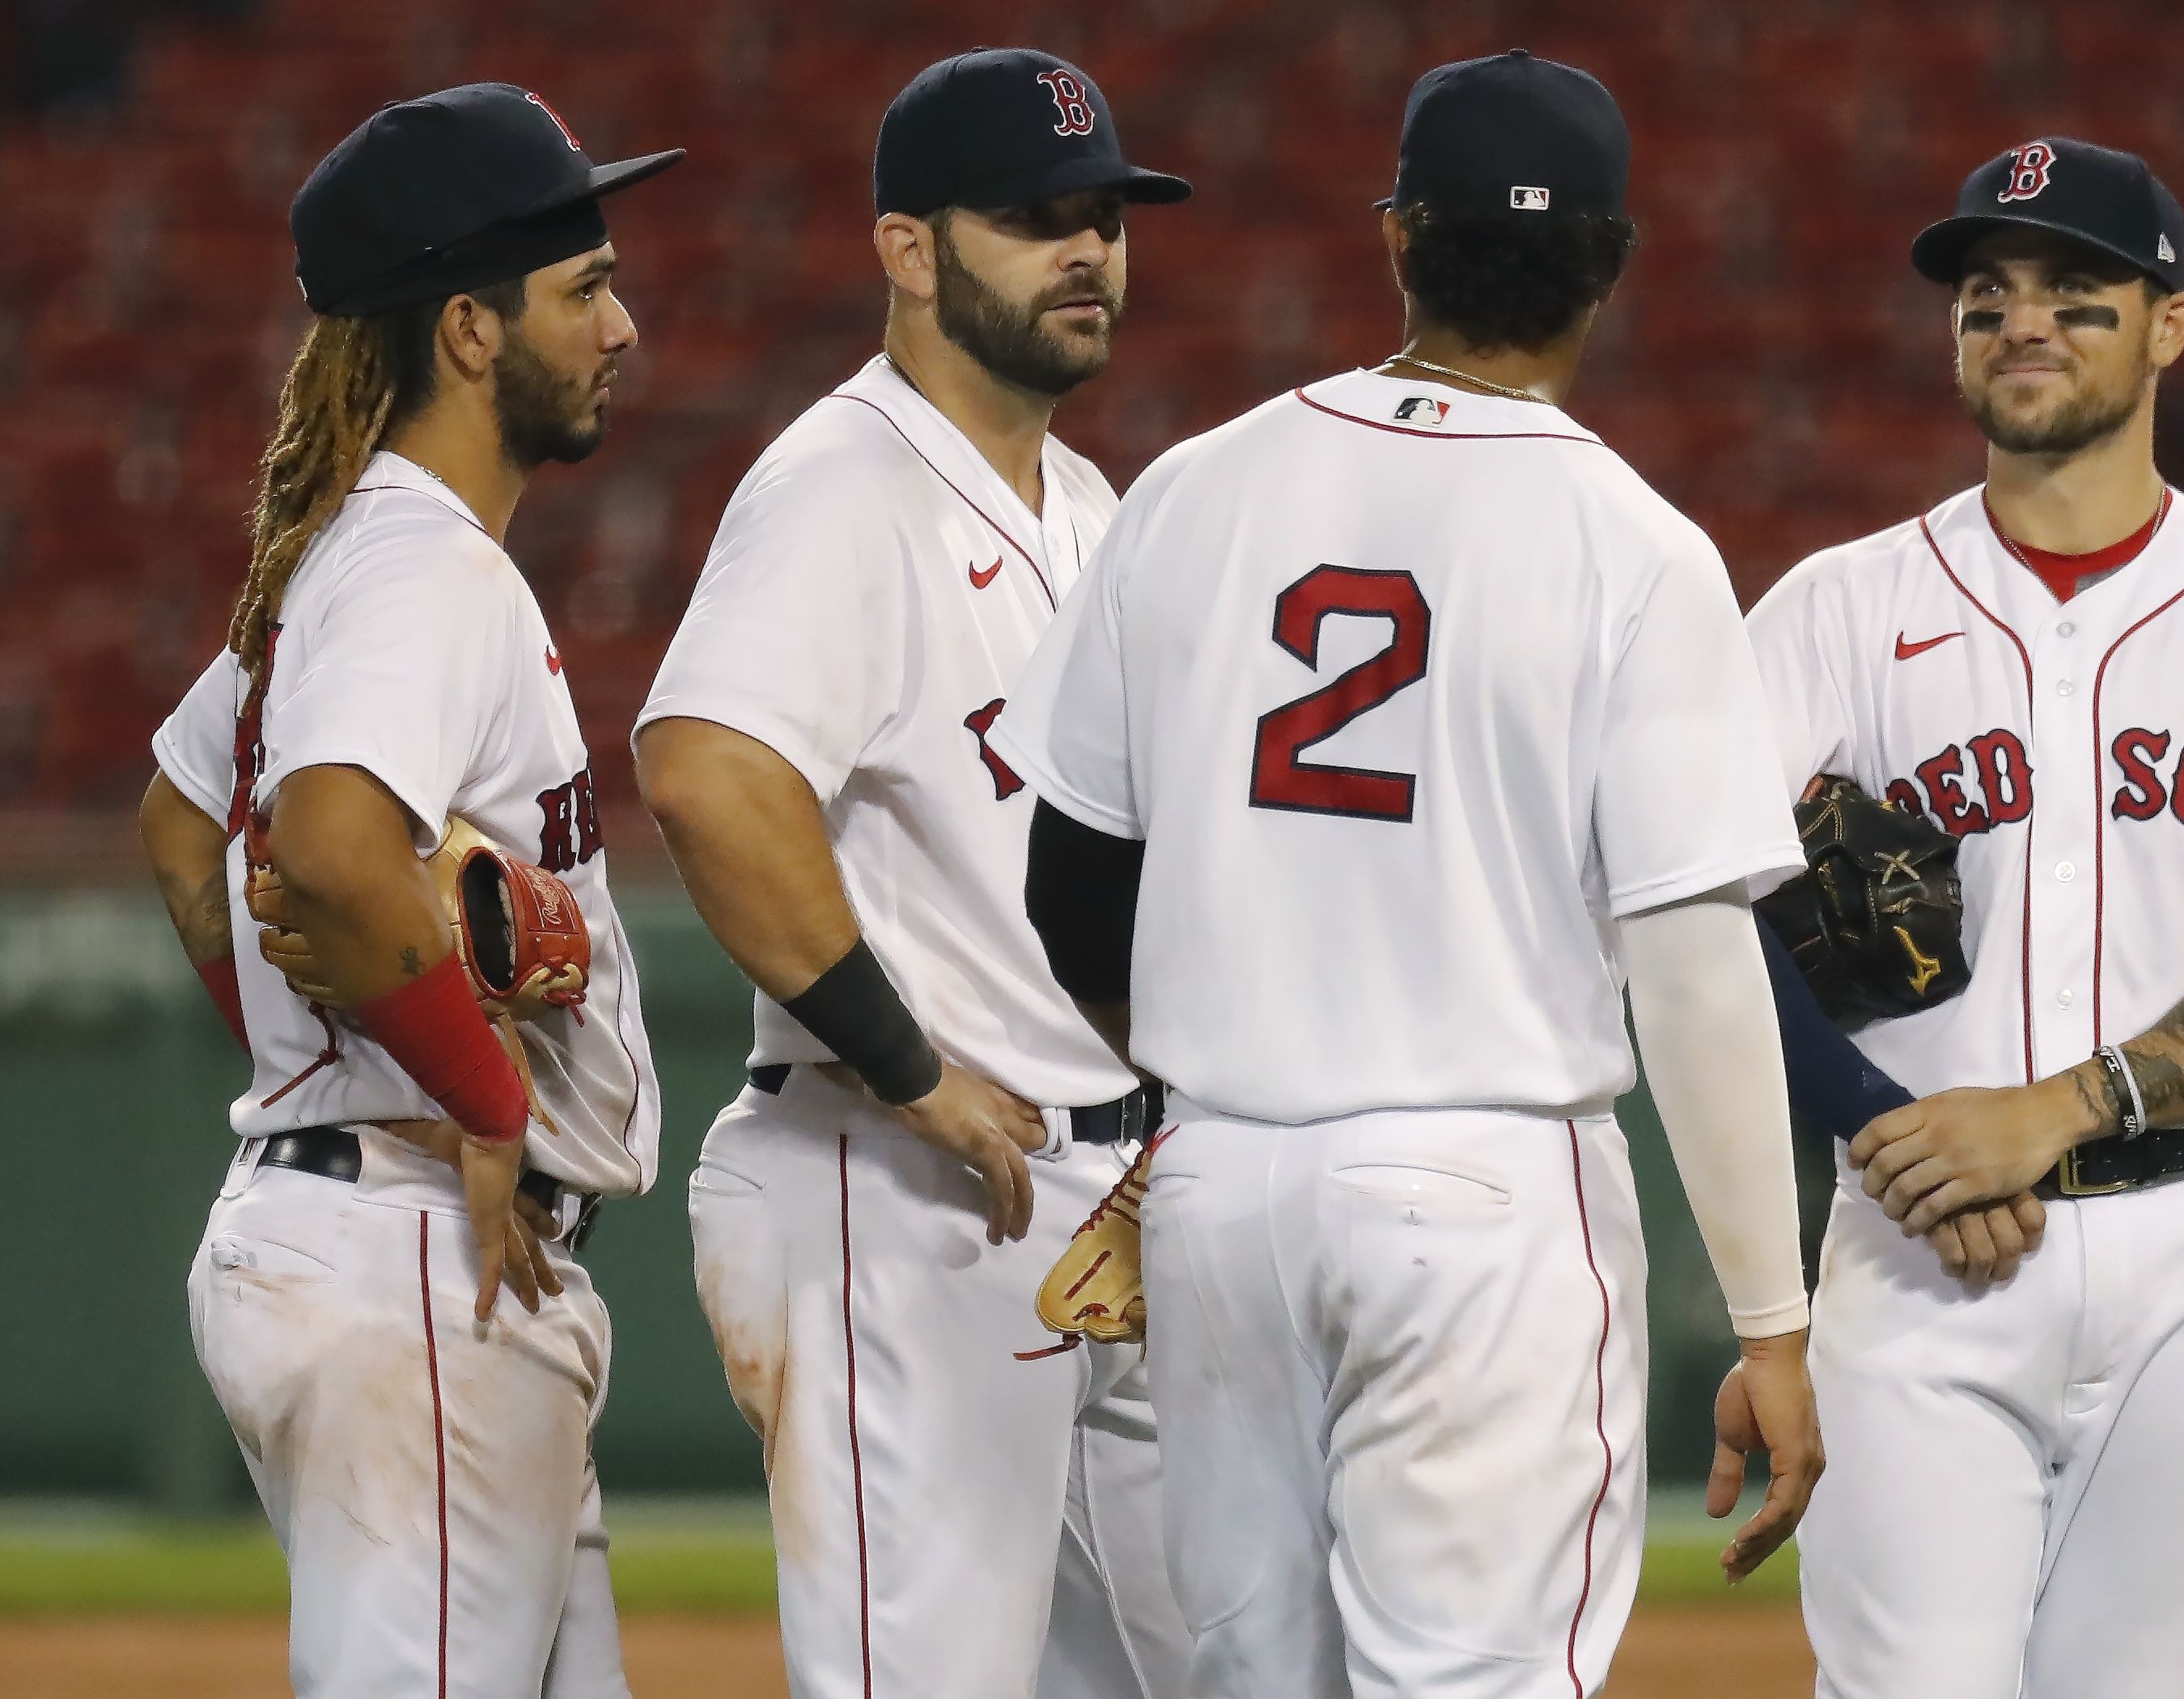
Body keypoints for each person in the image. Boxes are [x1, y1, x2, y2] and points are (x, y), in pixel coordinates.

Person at [993, 49, 1822, 1699]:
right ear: (1611, 262)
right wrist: (1777, 1321)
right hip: (1483, 1193)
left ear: (1398, 239)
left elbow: (1070, 883)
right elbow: (1692, 962)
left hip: (1226, 1195)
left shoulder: (1193, 489)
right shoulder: (1633, 543)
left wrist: (1203, 1096)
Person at [1743, 138, 2184, 1699]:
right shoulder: (1834, 610)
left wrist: (2053, 1113)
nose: (2023, 323)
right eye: (1985, 298)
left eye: (2077, 290)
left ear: (2172, 328)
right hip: (1920, 1251)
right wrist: (1887, 1138)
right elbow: (1688, 921)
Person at [632, 49, 1194, 1699]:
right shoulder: (845, 487)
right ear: (907, 251)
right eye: (1034, 220)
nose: (1086, 251)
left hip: (1104, 1200)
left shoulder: (1088, 505)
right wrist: (910, 1066)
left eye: (1103, 216)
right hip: (907, 1194)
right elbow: (710, 768)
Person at [136, 84, 677, 1697]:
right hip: (417, 1260)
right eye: (581, 289)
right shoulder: (421, 565)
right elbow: (330, 846)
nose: (624, 326)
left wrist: (331, 1053)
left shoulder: (348, 557)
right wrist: (478, 1095)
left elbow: (180, 828)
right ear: (465, 328)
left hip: (381, 1235)